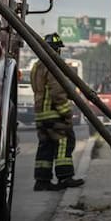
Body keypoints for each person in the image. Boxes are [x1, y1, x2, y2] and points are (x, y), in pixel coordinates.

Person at [31, 33, 85, 191]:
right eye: (58, 49)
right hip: (55, 114)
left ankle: (42, 181)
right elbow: (57, 93)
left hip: (41, 114)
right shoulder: (53, 66)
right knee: (64, 143)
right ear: (55, 50)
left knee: (45, 146)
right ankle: (65, 177)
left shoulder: (36, 66)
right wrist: (66, 113)